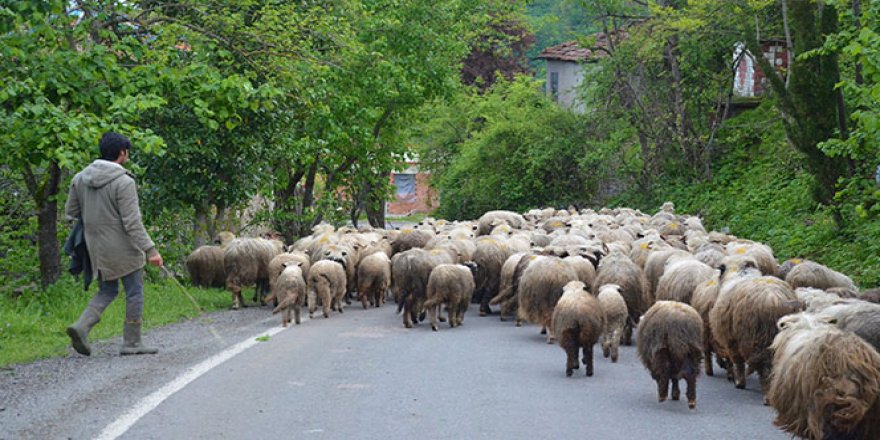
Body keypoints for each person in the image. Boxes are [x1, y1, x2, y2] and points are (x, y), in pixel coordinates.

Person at [64, 132, 163, 356]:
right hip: (124, 247)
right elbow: (132, 222)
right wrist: (151, 250)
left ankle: (82, 326)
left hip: (95, 247)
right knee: (134, 292)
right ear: (122, 153)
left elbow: (71, 212)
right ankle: (132, 343)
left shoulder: (80, 178)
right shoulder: (123, 182)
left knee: (107, 290)